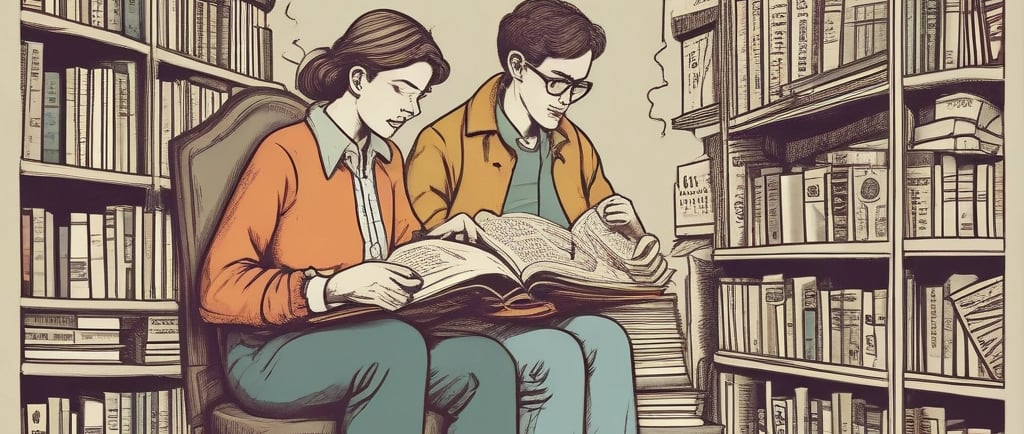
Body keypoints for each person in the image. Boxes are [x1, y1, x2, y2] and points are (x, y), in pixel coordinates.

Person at [198, 9, 517, 434]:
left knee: (486, 362)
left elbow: (398, 251)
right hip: (271, 353)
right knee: (395, 345)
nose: (411, 108)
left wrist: (435, 243)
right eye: (401, 89)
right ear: (359, 80)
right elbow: (219, 289)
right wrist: (330, 287)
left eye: (419, 96)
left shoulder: (388, 159)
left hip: (372, 333)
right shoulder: (284, 153)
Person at [405, 1, 643, 433]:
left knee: (608, 339)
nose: (566, 99)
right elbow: (417, 251)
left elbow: (603, 238)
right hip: (470, 319)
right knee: (554, 353)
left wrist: (630, 230)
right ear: (517, 66)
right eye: (557, 82)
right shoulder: (441, 142)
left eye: (578, 86)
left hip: (550, 308)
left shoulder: (574, 145)